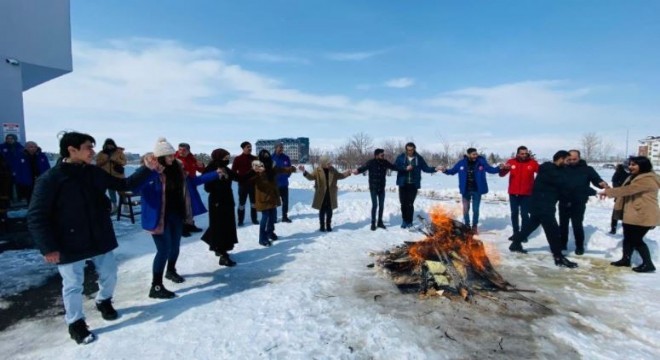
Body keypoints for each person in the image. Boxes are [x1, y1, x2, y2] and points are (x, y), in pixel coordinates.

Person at [27, 131, 155, 345]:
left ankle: (104, 301)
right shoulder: (50, 179)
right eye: (88, 147)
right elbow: (36, 215)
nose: (93, 152)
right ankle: (76, 323)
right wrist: (48, 247)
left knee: (110, 274)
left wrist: (147, 168)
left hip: (99, 235)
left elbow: (124, 185)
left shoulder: (94, 172)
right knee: (73, 285)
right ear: (72, 149)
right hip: (68, 241)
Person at [136, 138, 222, 299]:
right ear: (160, 157)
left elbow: (194, 181)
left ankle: (171, 271)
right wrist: (149, 171)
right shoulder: (152, 171)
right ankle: (156, 286)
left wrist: (214, 174)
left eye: (171, 154)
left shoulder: (178, 169)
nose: (172, 157)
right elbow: (135, 188)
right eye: (168, 155)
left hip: (176, 214)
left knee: (175, 246)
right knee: (163, 250)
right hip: (159, 217)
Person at [509, 150, 579, 268]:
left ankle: (515, 243)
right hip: (542, 205)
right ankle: (558, 257)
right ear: (560, 159)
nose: (568, 163)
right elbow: (562, 183)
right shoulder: (548, 169)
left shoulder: (559, 170)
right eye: (567, 160)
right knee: (553, 231)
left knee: (532, 225)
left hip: (545, 204)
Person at [600, 156, 658, 273]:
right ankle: (625, 259)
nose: (630, 167)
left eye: (634, 165)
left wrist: (609, 192)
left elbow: (629, 189)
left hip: (643, 213)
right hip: (632, 213)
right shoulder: (634, 176)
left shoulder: (648, 179)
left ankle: (648, 264)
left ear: (643, 166)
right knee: (628, 238)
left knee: (636, 239)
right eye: (630, 164)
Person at [441, 148, 502, 233]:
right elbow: (452, 171)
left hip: (477, 190)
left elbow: (491, 170)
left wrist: (499, 168)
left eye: (476, 154)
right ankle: (467, 225)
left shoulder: (481, 162)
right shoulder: (461, 163)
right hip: (465, 190)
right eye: (473, 154)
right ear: (468, 154)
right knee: (466, 209)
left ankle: (474, 226)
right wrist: (445, 170)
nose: (475, 156)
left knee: (475, 209)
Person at [560, 150, 609, 255]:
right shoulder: (562, 168)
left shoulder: (587, 169)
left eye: (575, 159)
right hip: (564, 200)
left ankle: (579, 246)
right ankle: (562, 244)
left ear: (579, 158)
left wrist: (602, 184)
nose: (572, 161)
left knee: (577, 224)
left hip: (579, 201)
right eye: (570, 159)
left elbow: (596, 179)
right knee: (563, 225)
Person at [248, 149, 296, 246]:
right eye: (264, 156)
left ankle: (270, 232)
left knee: (273, 216)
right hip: (263, 196)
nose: (267, 158)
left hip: (272, 195)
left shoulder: (271, 165)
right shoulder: (257, 167)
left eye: (268, 155)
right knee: (265, 217)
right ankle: (262, 238)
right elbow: (250, 178)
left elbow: (280, 169)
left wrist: (290, 169)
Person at [201, 148, 239, 266]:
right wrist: (218, 179)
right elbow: (207, 188)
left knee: (226, 226)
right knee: (220, 227)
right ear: (218, 157)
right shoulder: (211, 169)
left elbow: (238, 178)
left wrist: (254, 171)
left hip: (227, 200)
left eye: (228, 158)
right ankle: (223, 254)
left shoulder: (226, 168)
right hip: (217, 202)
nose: (227, 160)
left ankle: (217, 246)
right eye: (225, 158)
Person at [394, 142, 440, 228]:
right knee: (403, 203)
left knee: (410, 203)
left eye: (411, 150)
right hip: (403, 184)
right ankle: (404, 220)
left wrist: (435, 169)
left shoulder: (419, 158)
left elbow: (426, 168)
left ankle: (410, 221)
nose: (409, 151)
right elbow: (395, 167)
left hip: (413, 184)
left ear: (414, 149)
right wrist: (405, 168)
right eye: (408, 150)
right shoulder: (400, 157)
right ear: (406, 149)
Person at [299, 156, 351, 232]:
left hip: (330, 193)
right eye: (328, 163)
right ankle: (322, 226)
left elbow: (340, 176)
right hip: (321, 193)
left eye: (330, 162)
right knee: (322, 210)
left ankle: (328, 225)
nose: (330, 164)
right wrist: (304, 171)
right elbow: (311, 177)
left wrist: (348, 172)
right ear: (323, 163)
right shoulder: (317, 170)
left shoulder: (332, 170)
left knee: (329, 210)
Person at [353, 148, 400, 230]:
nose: (383, 156)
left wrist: (405, 168)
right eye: (382, 155)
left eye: (383, 155)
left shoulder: (385, 162)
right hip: (373, 188)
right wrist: (357, 171)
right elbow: (363, 168)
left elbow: (394, 167)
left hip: (382, 188)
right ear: (376, 155)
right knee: (375, 205)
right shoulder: (371, 162)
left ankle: (380, 222)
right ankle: (373, 223)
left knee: (381, 206)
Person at [499, 146, 539, 240]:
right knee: (514, 213)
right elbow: (501, 174)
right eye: (522, 153)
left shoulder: (532, 163)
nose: (524, 155)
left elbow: (541, 174)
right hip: (513, 193)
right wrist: (504, 169)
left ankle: (523, 235)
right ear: (517, 154)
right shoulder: (511, 162)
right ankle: (516, 233)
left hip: (527, 193)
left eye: (526, 153)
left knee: (525, 214)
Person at [175, 142, 206, 236]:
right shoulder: (174, 158)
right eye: (180, 149)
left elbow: (201, 170)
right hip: (179, 186)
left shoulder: (192, 158)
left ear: (188, 150)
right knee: (182, 206)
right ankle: (181, 227)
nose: (181, 152)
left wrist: (201, 166)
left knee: (190, 206)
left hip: (191, 185)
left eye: (184, 150)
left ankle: (190, 224)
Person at [95, 138, 126, 213]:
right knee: (111, 192)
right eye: (108, 145)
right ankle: (114, 206)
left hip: (118, 175)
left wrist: (115, 160)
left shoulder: (119, 152)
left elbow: (124, 162)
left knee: (122, 191)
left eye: (111, 145)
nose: (109, 147)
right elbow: (98, 163)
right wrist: (105, 160)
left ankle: (125, 206)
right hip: (107, 176)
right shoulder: (101, 153)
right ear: (105, 146)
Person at [232, 141, 258, 226]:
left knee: (253, 203)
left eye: (250, 147)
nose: (250, 148)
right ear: (243, 148)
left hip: (253, 185)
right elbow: (233, 173)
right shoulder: (238, 159)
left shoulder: (255, 158)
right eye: (248, 147)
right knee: (241, 203)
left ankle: (254, 219)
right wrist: (239, 179)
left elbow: (260, 171)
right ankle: (240, 220)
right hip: (243, 185)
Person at [272, 142, 293, 223]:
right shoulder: (271, 157)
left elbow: (289, 168)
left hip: (284, 184)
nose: (281, 149)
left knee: (285, 202)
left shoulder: (286, 158)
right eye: (280, 147)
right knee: (274, 203)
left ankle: (285, 217)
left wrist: (287, 175)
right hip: (274, 185)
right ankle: (274, 218)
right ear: (275, 148)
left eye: (282, 147)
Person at [0, 134, 24, 201]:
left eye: (11, 138)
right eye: (8, 138)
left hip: (18, 169)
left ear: (15, 139)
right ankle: (9, 199)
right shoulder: (2, 147)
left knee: (19, 184)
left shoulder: (20, 147)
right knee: (7, 185)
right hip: (5, 170)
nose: (9, 140)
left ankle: (20, 198)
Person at [609, 163, 629, 234]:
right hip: (622, 195)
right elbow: (614, 182)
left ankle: (613, 228)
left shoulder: (630, 173)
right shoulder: (620, 172)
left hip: (623, 195)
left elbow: (614, 182)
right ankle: (614, 228)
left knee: (618, 212)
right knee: (618, 212)